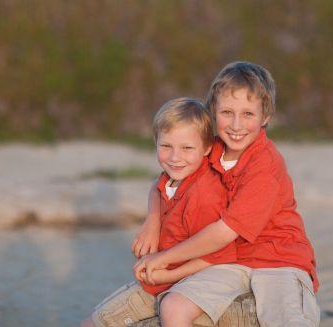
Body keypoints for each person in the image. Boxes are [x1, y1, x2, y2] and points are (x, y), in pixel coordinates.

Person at [134, 61, 320, 327]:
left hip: (277, 258)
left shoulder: (264, 166)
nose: (236, 125)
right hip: (230, 260)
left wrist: (164, 258)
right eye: (227, 112)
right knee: (173, 306)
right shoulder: (211, 148)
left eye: (248, 114)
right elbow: (162, 182)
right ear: (213, 111)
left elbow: (223, 232)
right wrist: (152, 222)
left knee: (285, 320)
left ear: (265, 117)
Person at [81, 97, 236, 327]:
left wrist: (168, 275)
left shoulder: (204, 195)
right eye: (166, 146)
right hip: (159, 281)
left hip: (176, 285)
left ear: (206, 149)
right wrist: (152, 222)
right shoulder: (174, 178)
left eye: (187, 148)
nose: (175, 157)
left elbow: (219, 255)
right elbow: (157, 186)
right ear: (156, 142)